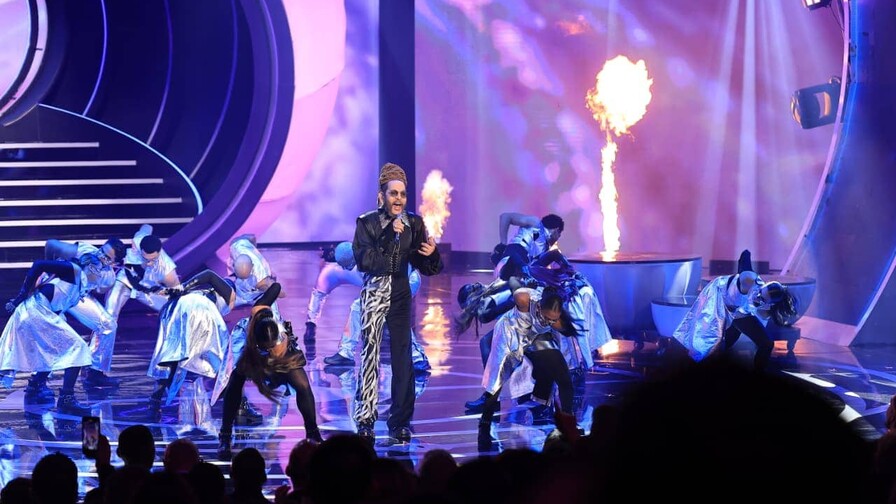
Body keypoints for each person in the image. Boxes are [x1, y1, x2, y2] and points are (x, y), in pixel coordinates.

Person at [352, 162, 443, 444]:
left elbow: (425, 266)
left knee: (403, 358)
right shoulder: (366, 223)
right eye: (393, 194)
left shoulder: (414, 223)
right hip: (375, 293)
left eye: (403, 194)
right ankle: (366, 417)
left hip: (401, 294)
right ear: (382, 196)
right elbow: (366, 261)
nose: (399, 199)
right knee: (370, 355)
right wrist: (392, 235)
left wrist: (431, 254)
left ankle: (400, 421)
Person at [217, 282, 321, 460]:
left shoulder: (273, 328)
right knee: (235, 381)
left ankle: (313, 433)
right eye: (268, 347)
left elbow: (276, 286)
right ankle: (225, 435)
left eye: (273, 346)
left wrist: (269, 287)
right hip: (249, 348)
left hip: (280, 350)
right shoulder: (252, 330)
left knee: (302, 385)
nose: (272, 350)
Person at [0, 257, 116, 415]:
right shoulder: (73, 270)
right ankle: (66, 400)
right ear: (89, 267)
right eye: (97, 270)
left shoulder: (80, 285)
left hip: (38, 313)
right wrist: (20, 297)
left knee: (55, 348)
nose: (99, 274)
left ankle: (36, 386)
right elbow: (38, 264)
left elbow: (57, 301)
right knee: (79, 348)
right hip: (35, 311)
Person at [672, 249, 797, 371]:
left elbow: (752, 315)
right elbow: (744, 265)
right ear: (761, 286)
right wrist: (746, 254)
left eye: (763, 300)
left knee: (762, 342)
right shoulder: (748, 280)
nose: (757, 298)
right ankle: (688, 365)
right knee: (709, 340)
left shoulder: (764, 306)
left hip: (738, 310)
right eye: (759, 293)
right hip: (719, 294)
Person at [147, 269, 236, 426]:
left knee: (169, 358)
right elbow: (208, 274)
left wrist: (182, 289)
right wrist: (183, 286)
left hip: (173, 309)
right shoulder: (229, 294)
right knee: (221, 358)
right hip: (199, 311)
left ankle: (154, 401)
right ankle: (236, 400)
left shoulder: (196, 293)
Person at [98, 225, 182, 381]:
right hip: (125, 281)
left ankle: (168, 366)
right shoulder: (138, 240)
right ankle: (96, 369)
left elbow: (177, 291)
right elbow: (146, 228)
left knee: (173, 314)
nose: (149, 263)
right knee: (107, 317)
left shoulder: (167, 268)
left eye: (153, 260)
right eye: (145, 259)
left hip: (149, 290)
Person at [323, 265, 431, 373]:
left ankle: (418, 358)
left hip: (404, 279)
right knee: (359, 306)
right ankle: (346, 353)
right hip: (385, 279)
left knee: (393, 313)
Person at [307, 241, 364, 348]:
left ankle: (311, 324)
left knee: (318, 294)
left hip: (330, 270)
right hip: (354, 270)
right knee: (373, 290)